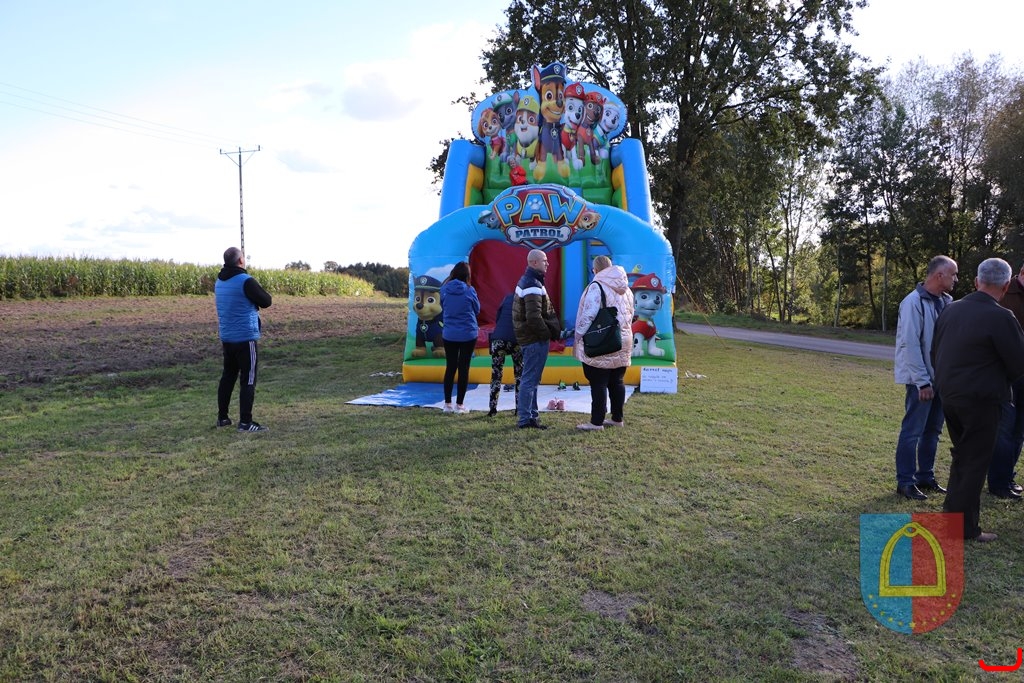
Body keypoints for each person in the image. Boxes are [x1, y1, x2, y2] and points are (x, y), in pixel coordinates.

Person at [932, 258, 1024, 542]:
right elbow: (1019, 364)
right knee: (974, 463)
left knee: (963, 457)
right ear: (1006, 285)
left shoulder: (951, 309)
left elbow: (936, 351)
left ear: (976, 281)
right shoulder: (1002, 317)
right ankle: (963, 530)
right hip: (982, 400)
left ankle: (952, 519)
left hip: (949, 395)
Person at [893, 255, 957, 500]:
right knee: (912, 432)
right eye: (953, 274)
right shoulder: (913, 302)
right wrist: (922, 382)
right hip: (921, 382)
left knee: (933, 431)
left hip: (942, 380)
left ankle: (925, 477)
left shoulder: (947, 302)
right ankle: (905, 482)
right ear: (939, 275)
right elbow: (910, 344)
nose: (956, 279)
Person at [573, 255, 635, 431]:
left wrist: (578, 335)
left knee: (598, 382)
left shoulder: (597, 286)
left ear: (595, 270)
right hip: (623, 339)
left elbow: (589, 314)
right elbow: (631, 312)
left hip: (602, 340)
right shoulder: (626, 288)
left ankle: (596, 422)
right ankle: (617, 418)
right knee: (617, 380)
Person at [215, 247, 272, 432]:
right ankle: (246, 422)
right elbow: (266, 301)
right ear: (240, 261)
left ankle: (222, 418)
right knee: (248, 379)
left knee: (228, 377)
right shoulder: (246, 281)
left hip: (227, 337)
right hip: (246, 337)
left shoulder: (219, 281)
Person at [513, 249, 561, 429]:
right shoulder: (532, 284)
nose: (547, 263)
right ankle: (526, 419)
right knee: (530, 379)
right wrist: (546, 334)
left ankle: (531, 416)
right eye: (544, 260)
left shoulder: (530, 281)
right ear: (534, 263)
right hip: (534, 339)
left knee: (531, 379)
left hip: (530, 338)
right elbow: (534, 317)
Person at [988, 261, 1024, 499]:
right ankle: (998, 482)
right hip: (1007, 374)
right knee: (1005, 429)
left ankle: (1008, 476)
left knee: (1019, 430)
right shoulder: (1003, 293)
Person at [440, 261, 480, 414]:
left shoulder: (444, 289)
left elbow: (443, 306)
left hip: (449, 334)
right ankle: (460, 405)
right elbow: (477, 309)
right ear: (467, 275)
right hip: (468, 334)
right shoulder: (470, 290)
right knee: (464, 368)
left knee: (450, 367)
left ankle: (447, 404)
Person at [488, 292, 522, 417]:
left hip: (498, 339)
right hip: (516, 340)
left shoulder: (507, 297)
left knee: (496, 374)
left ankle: (492, 409)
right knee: (519, 375)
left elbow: (498, 317)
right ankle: (519, 409)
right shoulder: (525, 300)